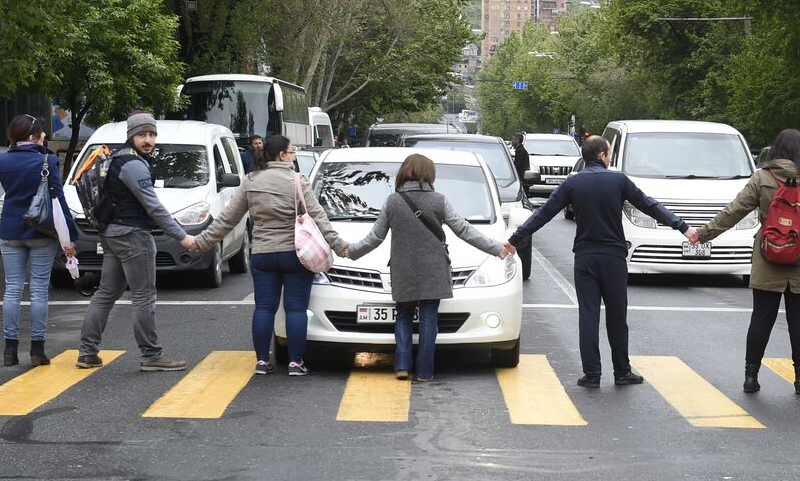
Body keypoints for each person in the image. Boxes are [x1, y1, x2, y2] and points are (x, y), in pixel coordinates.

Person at [502, 135, 697, 387]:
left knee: (588, 314)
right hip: (613, 258)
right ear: (603, 155)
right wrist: (682, 226)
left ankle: (592, 374)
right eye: (609, 152)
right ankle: (622, 371)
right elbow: (649, 205)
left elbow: (544, 214)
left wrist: (514, 239)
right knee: (617, 316)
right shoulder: (618, 180)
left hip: (585, 258)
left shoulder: (573, 184)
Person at [697, 128, 800, 395]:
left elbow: (734, 211)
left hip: (767, 256)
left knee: (761, 319)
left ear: (777, 149)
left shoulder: (762, 178)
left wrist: (703, 234)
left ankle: (750, 376)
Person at [186, 135, 347, 376]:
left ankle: (262, 361)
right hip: (294, 255)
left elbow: (228, 219)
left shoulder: (251, 181)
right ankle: (295, 363)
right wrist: (340, 246)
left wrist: (201, 242)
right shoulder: (297, 181)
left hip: (262, 254)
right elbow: (319, 216)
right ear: (282, 155)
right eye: (292, 153)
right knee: (295, 309)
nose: (293, 157)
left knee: (264, 308)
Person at [344, 154, 507, 380]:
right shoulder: (438, 200)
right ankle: (425, 371)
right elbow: (464, 230)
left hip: (403, 268)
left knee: (403, 315)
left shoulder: (393, 201)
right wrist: (496, 248)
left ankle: (401, 365)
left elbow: (375, 238)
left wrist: (351, 252)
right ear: (429, 175)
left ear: (405, 172)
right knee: (429, 317)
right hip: (434, 268)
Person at [77, 112, 194, 372]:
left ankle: (87, 352)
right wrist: (182, 236)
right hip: (133, 235)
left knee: (106, 293)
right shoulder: (134, 165)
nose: (148, 140)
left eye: (152, 134)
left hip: (111, 233)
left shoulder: (116, 159)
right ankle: (151, 355)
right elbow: (154, 207)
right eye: (142, 134)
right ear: (131, 135)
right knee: (143, 295)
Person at [0, 114, 79, 366]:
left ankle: (10, 350)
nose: (45, 137)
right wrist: (70, 237)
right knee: (39, 289)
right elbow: (59, 202)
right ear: (32, 136)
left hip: (10, 231)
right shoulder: (47, 160)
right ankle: (37, 350)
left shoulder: (2, 160)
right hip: (41, 232)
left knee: (12, 288)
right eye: (41, 133)